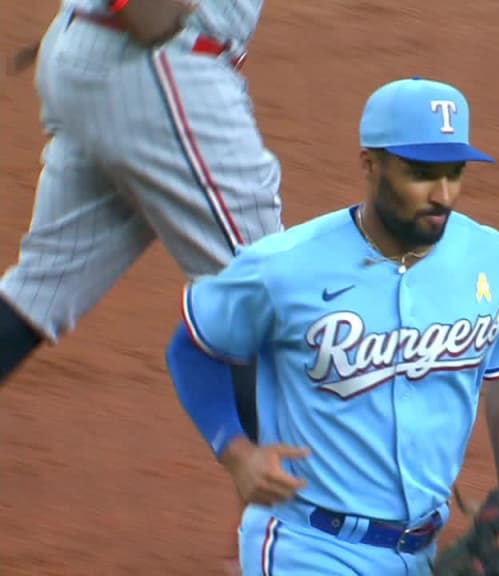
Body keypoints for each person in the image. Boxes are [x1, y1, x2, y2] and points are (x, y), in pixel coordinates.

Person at [164, 76, 499, 575]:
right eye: (421, 173)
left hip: (422, 552)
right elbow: (194, 346)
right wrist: (235, 451)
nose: (442, 194)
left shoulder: (497, 263)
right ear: (370, 166)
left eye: (454, 173)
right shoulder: (284, 267)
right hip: (306, 547)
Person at [0, 1, 281, 572]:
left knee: (35, 293)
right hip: (161, 64)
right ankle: (285, 546)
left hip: (96, 54)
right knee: (271, 291)